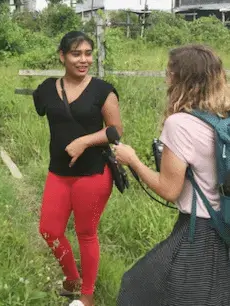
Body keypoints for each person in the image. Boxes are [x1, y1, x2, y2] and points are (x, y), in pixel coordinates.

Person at [113, 44, 230, 305]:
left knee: (138, 288)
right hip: (225, 222)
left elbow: (169, 189)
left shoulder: (180, 124)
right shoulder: (224, 115)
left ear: (182, 79)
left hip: (199, 229)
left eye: (169, 72)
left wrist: (132, 160)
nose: (166, 78)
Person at [32, 31, 122, 306]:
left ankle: (87, 295)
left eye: (87, 53)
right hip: (58, 173)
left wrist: (84, 141)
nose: (83, 60)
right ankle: (72, 277)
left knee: (86, 233)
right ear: (62, 56)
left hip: (93, 173)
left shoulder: (103, 90)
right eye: (76, 54)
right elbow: (49, 114)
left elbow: (115, 131)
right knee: (49, 229)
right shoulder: (46, 89)